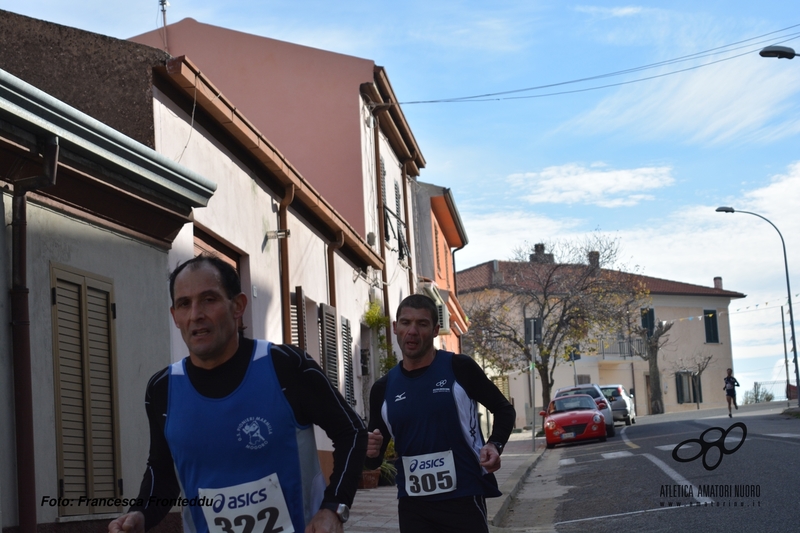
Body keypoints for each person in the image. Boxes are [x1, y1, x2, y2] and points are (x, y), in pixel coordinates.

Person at [108, 255, 366, 533]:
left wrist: (334, 508)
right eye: (184, 304)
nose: (196, 314)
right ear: (175, 317)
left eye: (209, 299)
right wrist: (140, 513)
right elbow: (162, 469)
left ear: (238, 306)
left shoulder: (286, 366)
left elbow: (351, 432)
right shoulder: (163, 389)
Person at [365, 294, 516, 533]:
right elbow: (374, 458)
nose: (412, 331)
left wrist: (494, 444)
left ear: (436, 330)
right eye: (405, 323)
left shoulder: (459, 368)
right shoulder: (383, 389)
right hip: (413, 505)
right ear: (395, 328)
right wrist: (370, 451)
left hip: (463, 497)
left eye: (422, 324)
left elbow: (503, 409)